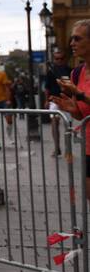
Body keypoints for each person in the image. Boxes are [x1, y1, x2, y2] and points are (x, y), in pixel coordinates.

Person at [50, 20, 90, 201]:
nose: (72, 43)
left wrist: (80, 95)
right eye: (71, 38)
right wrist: (72, 109)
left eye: (77, 38)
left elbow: (83, 97)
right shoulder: (77, 73)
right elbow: (82, 115)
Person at [45, 46, 72, 154]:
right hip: (54, 100)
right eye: (57, 59)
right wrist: (47, 100)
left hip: (67, 100)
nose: (59, 61)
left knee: (67, 125)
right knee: (54, 122)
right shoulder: (51, 72)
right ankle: (57, 147)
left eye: (61, 59)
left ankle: (68, 149)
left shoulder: (71, 71)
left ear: (64, 59)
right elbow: (47, 87)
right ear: (54, 59)